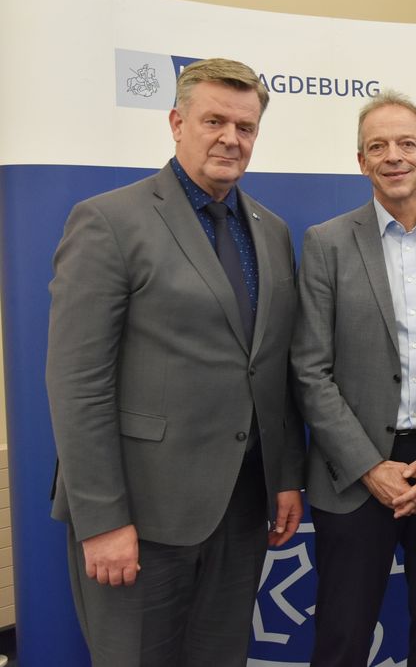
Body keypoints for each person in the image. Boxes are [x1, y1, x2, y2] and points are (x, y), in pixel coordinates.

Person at [45, 58, 306, 666]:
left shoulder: (270, 230)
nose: (230, 138)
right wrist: (102, 520)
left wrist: (285, 475)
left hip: (241, 508)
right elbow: (77, 382)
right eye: (214, 121)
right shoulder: (110, 221)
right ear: (176, 122)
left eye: (245, 127)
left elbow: (271, 368)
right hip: (140, 517)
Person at [290, 91, 416, 667]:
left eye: (406, 143)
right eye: (377, 146)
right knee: (342, 637)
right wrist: (368, 467)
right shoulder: (326, 243)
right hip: (353, 471)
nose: (393, 156)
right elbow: (310, 369)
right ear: (361, 161)